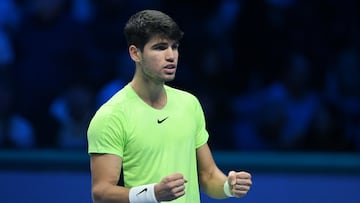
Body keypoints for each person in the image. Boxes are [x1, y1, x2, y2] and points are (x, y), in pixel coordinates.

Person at [87, 9, 252, 203]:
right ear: (135, 53)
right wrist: (153, 194)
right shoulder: (111, 116)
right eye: (160, 47)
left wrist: (228, 186)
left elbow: (208, 176)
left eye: (174, 47)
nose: (171, 55)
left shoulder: (189, 104)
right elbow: (101, 193)